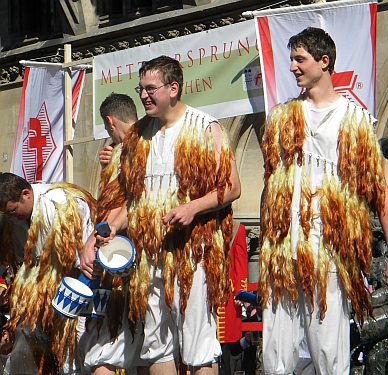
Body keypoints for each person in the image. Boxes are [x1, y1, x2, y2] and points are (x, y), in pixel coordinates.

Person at [80, 55, 241, 375]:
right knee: (156, 347)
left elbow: (232, 187)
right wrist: (106, 231)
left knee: (198, 348)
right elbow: (133, 201)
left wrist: (192, 208)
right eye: (140, 89)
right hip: (149, 258)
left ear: (173, 88)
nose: (143, 95)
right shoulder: (137, 138)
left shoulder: (203, 127)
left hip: (194, 253)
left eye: (150, 88)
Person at [259, 27, 388, 375]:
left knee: (328, 349)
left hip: (329, 251)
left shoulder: (354, 120)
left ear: (324, 62)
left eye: (300, 59)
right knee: (274, 353)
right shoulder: (281, 118)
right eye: (291, 59)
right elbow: (269, 186)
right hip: (282, 251)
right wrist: (267, 237)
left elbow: (379, 191)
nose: (292, 66)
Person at [0, 172, 95, 375]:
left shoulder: (63, 205)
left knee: (74, 355)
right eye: (6, 214)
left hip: (75, 291)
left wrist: (67, 299)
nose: (11, 217)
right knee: (36, 354)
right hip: (39, 300)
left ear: (25, 194)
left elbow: (83, 260)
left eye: (13, 211)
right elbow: (23, 261)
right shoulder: (13, 219)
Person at [79, 92, 147, 375]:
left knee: (106, 347)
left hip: (120, 261)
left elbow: (118, 205)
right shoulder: (134, 146)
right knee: (149, 350)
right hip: (147, 260)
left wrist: (92, 241)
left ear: (109, 121)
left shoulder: (134, 149)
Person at [217, 220, 248, 375]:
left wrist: (241, 294)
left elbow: (241, 264)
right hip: (208, 296)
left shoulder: (237, 228)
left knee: (227, 348)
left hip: (228, 299)